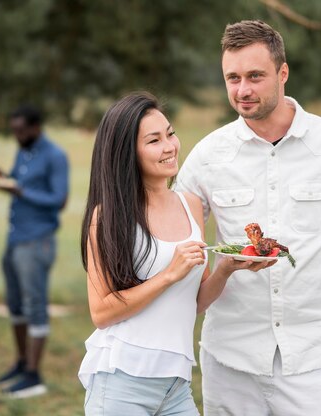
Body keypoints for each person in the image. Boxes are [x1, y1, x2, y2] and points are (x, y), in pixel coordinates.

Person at [175, 20, 321, 415]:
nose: (242, 90)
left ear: (283, 73)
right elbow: (174, 237)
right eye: (233, 78)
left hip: (314, 358)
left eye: (255, 76)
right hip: (231, 359)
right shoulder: (208, 155)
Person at [77, 92, 268, 415]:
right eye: (154, 141)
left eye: (170, 134)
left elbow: (193, 303)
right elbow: (102, 312)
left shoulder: (190, 205)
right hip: (122, 382)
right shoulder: (108, 216)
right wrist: (168, 275)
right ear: (128, 153)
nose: (170, 147)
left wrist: (225, 269)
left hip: (176, 386)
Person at [0, 104, 69, 398]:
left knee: (35, 304)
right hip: (14, 239)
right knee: (15, 304)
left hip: (37, 240)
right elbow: (20, 181)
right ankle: (22, 364)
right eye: (13, 130)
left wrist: (19, 191)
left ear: (36, 127)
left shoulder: (55, 156)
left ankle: (34, 376)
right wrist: (5, 177)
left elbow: (59, 199)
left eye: (21, 130)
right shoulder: (23, 150)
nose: (17, 135)